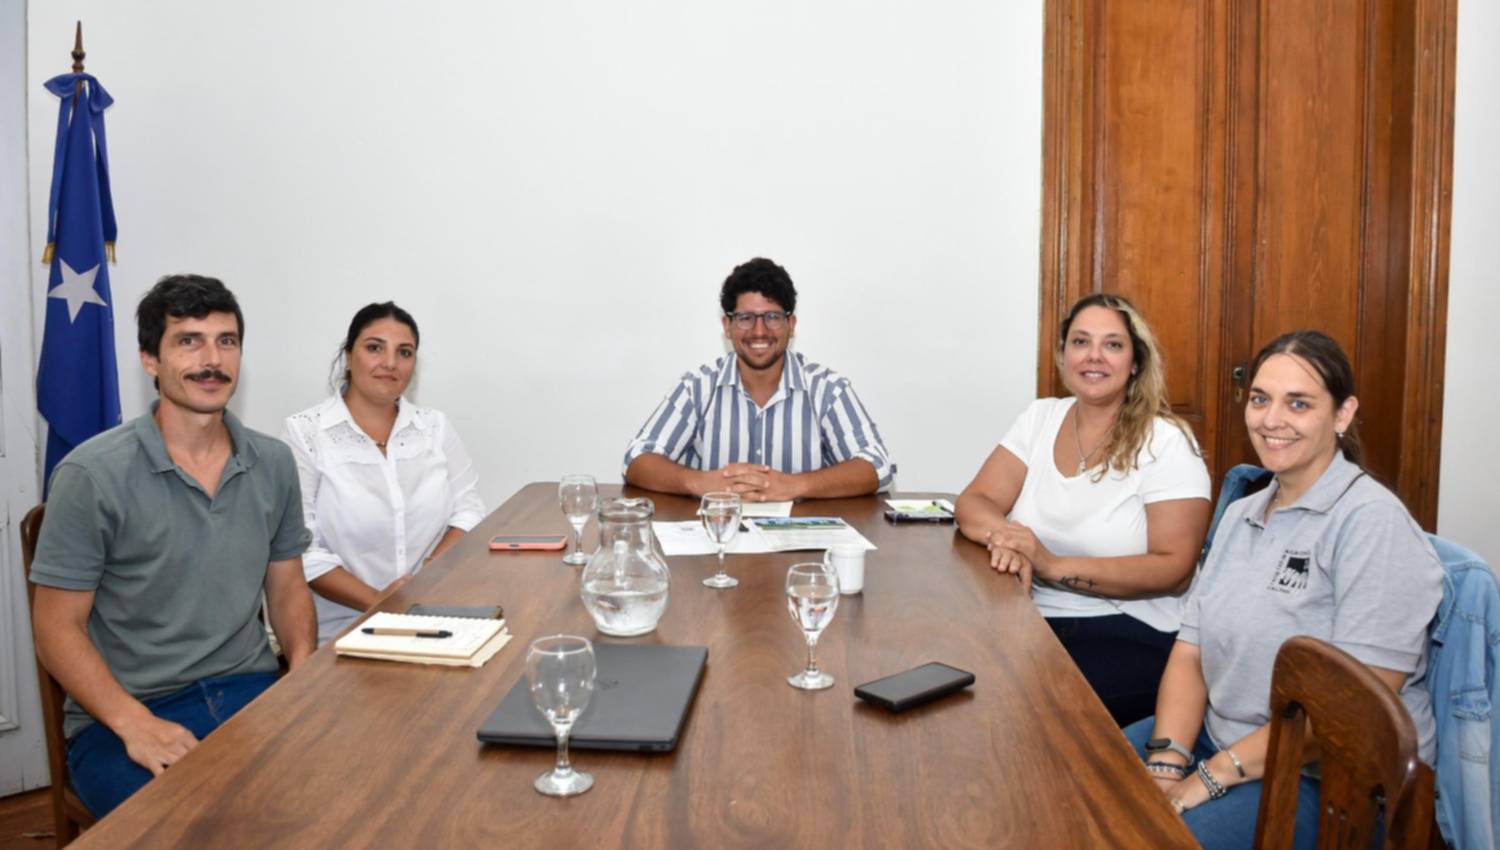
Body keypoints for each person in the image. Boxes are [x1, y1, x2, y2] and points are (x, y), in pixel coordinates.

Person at [1123, 331, 1444, 850]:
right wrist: (1166, 764)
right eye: (1260, 399)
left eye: (1299, 403)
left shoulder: (1372, 523)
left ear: (1342, 415)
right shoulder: (1241, 513)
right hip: (1221, 740)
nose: (1272, 420)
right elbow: (1190, 652)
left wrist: (1210, 777)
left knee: (1155, 840)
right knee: (1084, 782)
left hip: (1331, 778)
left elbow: (1353, 709)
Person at [29, 274, 317, 817]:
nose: (212, 359)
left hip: (250, 690)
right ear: (150, 360)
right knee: (195, 826)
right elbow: (55, 628)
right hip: (124, 713)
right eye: (189, 341)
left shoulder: (274, 462)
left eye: (226, 341)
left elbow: (287, 588)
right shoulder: (91, 475)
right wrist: (134, 724)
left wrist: (301, 676)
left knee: (352, 791)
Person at [955, 293, 1210, 726]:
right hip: (1032, 616)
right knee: (946, 668)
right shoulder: (1040, 417)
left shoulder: (1167, 442)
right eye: (1080, 342)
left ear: (1135, 362)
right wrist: (1010, 538)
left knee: (1006, 704)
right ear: (1062, 354)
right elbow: (974, 501)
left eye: (1113, 344)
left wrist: (1051, 564)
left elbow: (1175, 569)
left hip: (1131, 631)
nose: (1094, 356)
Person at [281, 302, 485, 645]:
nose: (390, 363)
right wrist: (384, 604)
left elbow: (470, 510)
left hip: (437, 616)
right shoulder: (305, 433)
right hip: (344, 632)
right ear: (349, 356)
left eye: (404, 352)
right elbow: (302, 550)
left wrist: (428, 579)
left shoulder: (434, 427)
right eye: (375, 348)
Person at [623, 257, 894, 501]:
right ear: (727, 326)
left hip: (801, 539)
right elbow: (637, 459)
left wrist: (793, 486)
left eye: (772, 317)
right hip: (718, 536)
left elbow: (877, 465)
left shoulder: (827, 389)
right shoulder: (697, 387)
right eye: (745, 318)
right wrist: (701, 483)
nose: (759, 332)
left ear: (791, 325)